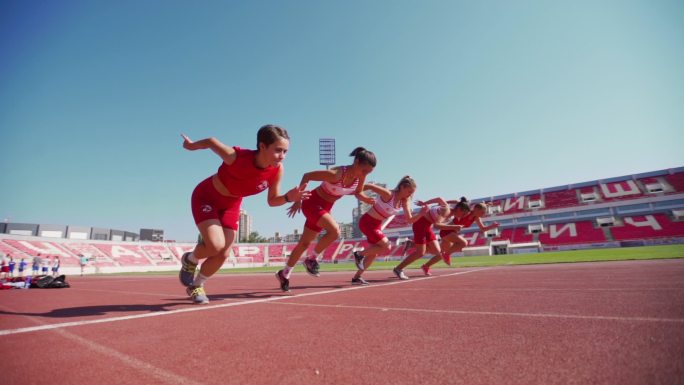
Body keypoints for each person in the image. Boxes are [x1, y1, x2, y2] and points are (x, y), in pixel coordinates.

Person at [179, 125, 308, 304]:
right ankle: (190, 259)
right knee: (216, 245)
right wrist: (190, 146)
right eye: (278, 150)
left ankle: (197, 285)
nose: (282, 156)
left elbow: (272, 200)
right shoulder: (236, 157)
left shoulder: (277, 170)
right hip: (206, 197)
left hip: (231, 205)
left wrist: (288, 197)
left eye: (285, 151)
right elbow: (211, 142)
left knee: (223, 253)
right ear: (262, 146)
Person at [275, 147, 376, 292]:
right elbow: (307, 176)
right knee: (335, 231)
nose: (365, 174)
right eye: (364, 170)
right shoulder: (336, 174)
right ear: (357, 162)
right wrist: (297, 200)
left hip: (324, 209)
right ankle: (311, 259)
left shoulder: (360, 177)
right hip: (312, 203)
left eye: (368, 172)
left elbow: (358, 192)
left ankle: (284, 273)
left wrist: (366, 198)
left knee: (304, 244)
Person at [350, 176, 426, 285]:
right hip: (367, 222)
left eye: (412, 193)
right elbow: (370, 186)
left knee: (373, 254)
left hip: (376, 226)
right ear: (402, 187)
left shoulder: (403, 202)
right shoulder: (389, 194)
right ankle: (359, 254)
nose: (410, 195)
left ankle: (356, 277)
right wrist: (360, 195)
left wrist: (422, 213)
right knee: (386, 245)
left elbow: (409, 220)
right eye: (409, 192)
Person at [391, 198, 462, 279]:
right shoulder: (446, 210)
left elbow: (439, 199)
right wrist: (454, 227)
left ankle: (412, 244)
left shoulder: (448, 212)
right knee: (420, 253)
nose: (462, 217)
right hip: (420, 224)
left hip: (427, 227)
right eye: (463, 214)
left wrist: (425, 203)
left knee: (438, 252)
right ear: (459, 209)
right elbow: (437, 225)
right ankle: (398, 269)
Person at [429, 198, 500, 267]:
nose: (483, 214)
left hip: (452, 233)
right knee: (463, 243)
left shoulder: (476, 218)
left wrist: (492, 226)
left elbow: (483, 229)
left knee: (441, 254)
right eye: (482, 212)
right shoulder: (466, 212)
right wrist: (443, 203)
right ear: (476, 210)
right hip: (447, 231)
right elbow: (458, 202)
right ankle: (446, 254)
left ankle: (426, 266)